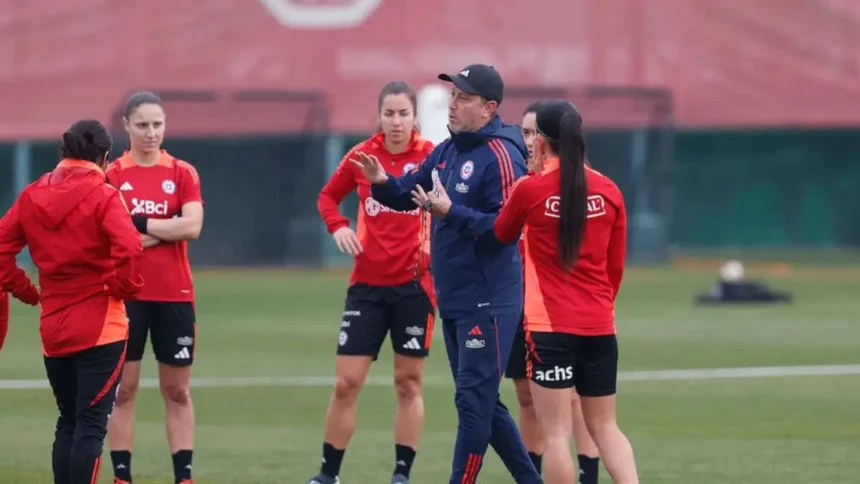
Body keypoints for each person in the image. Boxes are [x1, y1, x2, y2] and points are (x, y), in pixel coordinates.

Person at [351, 64, 541, 484]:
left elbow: (504, 232)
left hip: (488, 301)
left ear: (489, 108)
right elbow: (410, 191)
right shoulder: (449, 150)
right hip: (455, 299)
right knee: (484, 405)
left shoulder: (502, 156)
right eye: (452, 95)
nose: (452, 104)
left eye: (463, 98)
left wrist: (451, 212)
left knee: (473, 405)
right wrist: (383, 182)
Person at [492, 100, 639, 484]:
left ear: (542, 142)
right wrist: (602, 307)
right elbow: (615, 267)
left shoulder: (530, 189)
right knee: (606, 428)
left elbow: (501, 235)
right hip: (600, 326)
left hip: (550, 329)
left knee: (556, 435)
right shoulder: (609, 190)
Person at [0, 119, 144, 484]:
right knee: (91, 427)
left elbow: (2, 248)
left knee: (67, 420)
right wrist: (123, 287)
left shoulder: (32, 194)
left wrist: (27, 291)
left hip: (54, 325)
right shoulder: (105, 195)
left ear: (63, 152)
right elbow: (129, 246)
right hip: (100, 324)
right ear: (105, 157)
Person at [306, 81, 436, 484]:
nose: (396, 122)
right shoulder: (362, 156)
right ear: (378, 117)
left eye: (403, 114)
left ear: (415, 117)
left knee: (408, 383)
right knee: (346, 383)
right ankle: (328, 475)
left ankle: (401, 475)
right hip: (367, 286)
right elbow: (327, 197)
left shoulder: (432, 157)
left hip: (415, 288)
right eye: (389, 114)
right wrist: (338, 227)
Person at [105, 91, 204, 484]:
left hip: (175, 296)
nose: (151, 133)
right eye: (142, 125)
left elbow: (193, 227)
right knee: (124, 390)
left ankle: (184, 477)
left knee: (177, 391)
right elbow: (112, 240)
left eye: (157, 124)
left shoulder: (182, 172)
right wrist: (169, 227)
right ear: (126, 126)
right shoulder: (111, 175)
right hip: (126, 297)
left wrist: (140, 226)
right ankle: (122, 477)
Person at [506, 102, 603, 482]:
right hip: (519, 299)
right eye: (524, 134)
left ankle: (587, 475)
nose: (529, 142)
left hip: (561, 308)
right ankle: (532, 476)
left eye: (535, 134)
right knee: (527, 397)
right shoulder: (519, 185)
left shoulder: (583, 183)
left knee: (574, 400)